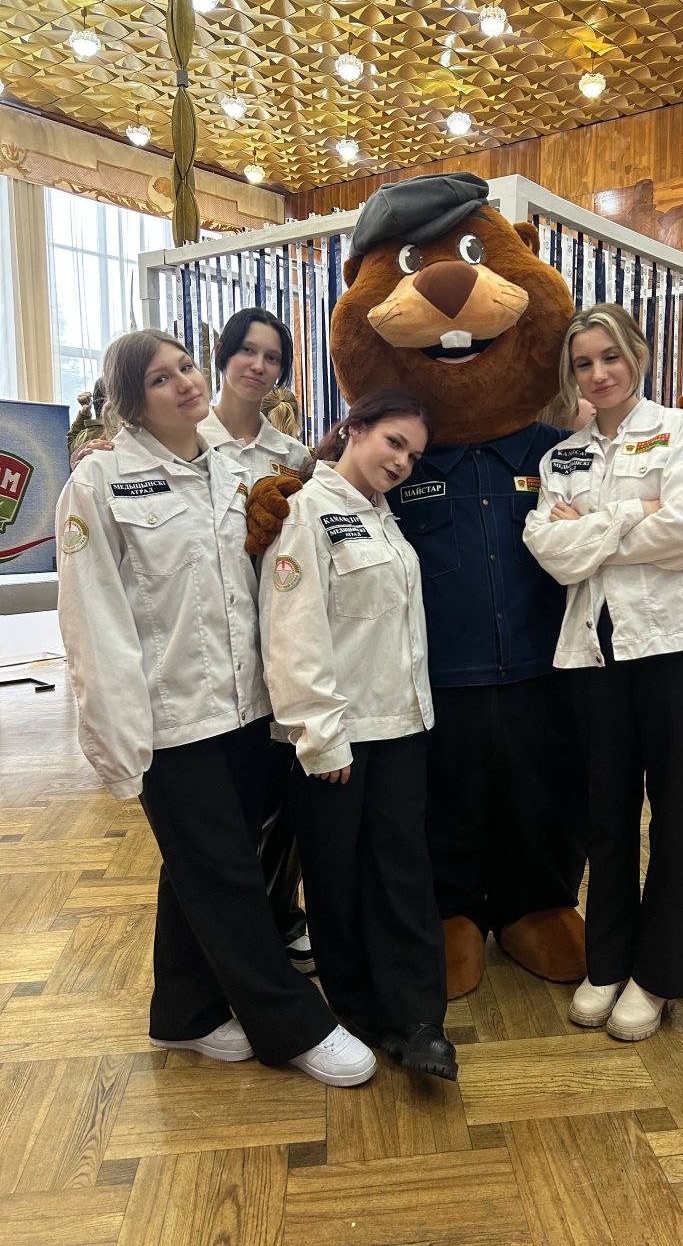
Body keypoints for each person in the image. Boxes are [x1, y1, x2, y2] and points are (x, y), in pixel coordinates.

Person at [56, 328, 376, 1086]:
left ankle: (185, 1013)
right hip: (172, 719)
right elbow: (93, 622)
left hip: (248, 709)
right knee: (225, 876)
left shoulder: (239, 467)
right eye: (160, 379)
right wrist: (119, 745)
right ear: (130, 402)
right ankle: (291, 1025)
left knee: (201, 868)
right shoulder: (101, 483)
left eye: (185, 366)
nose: (185, 383)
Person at [524, 303, 683, 1041]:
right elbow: (550, 552)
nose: (599, 373)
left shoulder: (679, 431)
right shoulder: (561, 459)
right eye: (583, 363)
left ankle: (659, 973)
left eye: (610, 357)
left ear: (637, 357)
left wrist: (591, 528)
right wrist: (632, 513)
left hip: (678, 647)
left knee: (676, 814)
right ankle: (607, 961)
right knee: (605, 812)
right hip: (595, 651)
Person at [258, 390, 457, 1081]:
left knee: (403, 874)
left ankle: (419, 1019)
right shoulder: (305, 511)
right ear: (354, 429)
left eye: (414, 455)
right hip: (337, 739)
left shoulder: (384, 519)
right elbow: (292, 631)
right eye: (394, 442)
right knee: (337, 882)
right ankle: (360, 1013)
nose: (402, 462)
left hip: (400, 725)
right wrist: (318, 735)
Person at [198, 308, 315, 974]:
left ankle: (281, 915)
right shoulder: (186, 443)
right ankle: (234, 944)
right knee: (221, 816)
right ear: (223, 355)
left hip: (274, 649)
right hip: (206, 656)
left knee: (278, 801)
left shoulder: (290, 456)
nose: (258, 366)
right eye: (247, 351)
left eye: (272, 357)